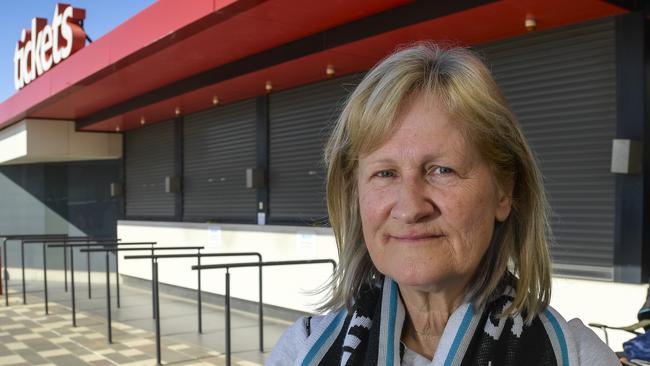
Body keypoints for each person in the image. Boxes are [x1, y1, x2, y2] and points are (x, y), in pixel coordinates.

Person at [266, 43, 620, 365]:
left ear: (504, 192)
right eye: (385, 173)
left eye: (441, 170)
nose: (409, 208)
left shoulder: (572, 355)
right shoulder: (303, 352)